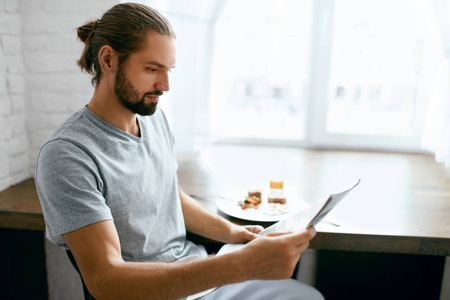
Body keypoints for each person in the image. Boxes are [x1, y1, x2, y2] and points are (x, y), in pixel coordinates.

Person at [35, 3, 324, 300]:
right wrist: (236, 265)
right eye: (152, 69)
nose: (165, 85)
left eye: (169, 70)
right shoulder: (68, 156)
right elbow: (106, 280)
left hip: (201, 277)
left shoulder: (153, 119)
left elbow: (170, 194)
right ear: (108, 59)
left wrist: (232, 233)